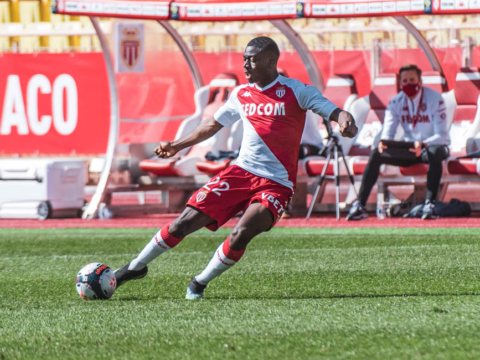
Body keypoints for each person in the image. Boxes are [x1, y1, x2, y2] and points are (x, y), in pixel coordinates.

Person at [114, 36, 358, 299]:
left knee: (242, 232)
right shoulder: (240, 94)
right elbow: (211, 125)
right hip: (240, 174)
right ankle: (135, 267)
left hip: (277, 183)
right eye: (243, 59)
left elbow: (336, 112)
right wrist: (176, 145)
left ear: (270, 61)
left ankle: (198, 283)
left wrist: (346, 122)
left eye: (250, 59)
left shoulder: (297, 91)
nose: (245, 65)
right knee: (181, 225)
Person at [346, 64, 450, 221]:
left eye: (412, 80)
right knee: (376, 153)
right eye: (405, 81)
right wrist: (383, 143)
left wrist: (423, 144)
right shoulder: (396, 102)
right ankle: (360, 205)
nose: (409, 84)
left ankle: (430, 204)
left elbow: (441, 135)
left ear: (420, 81)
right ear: (400, 83)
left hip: (433, 147)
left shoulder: (435, 99)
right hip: (410, 148)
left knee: (434, 151)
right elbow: (388, 132)